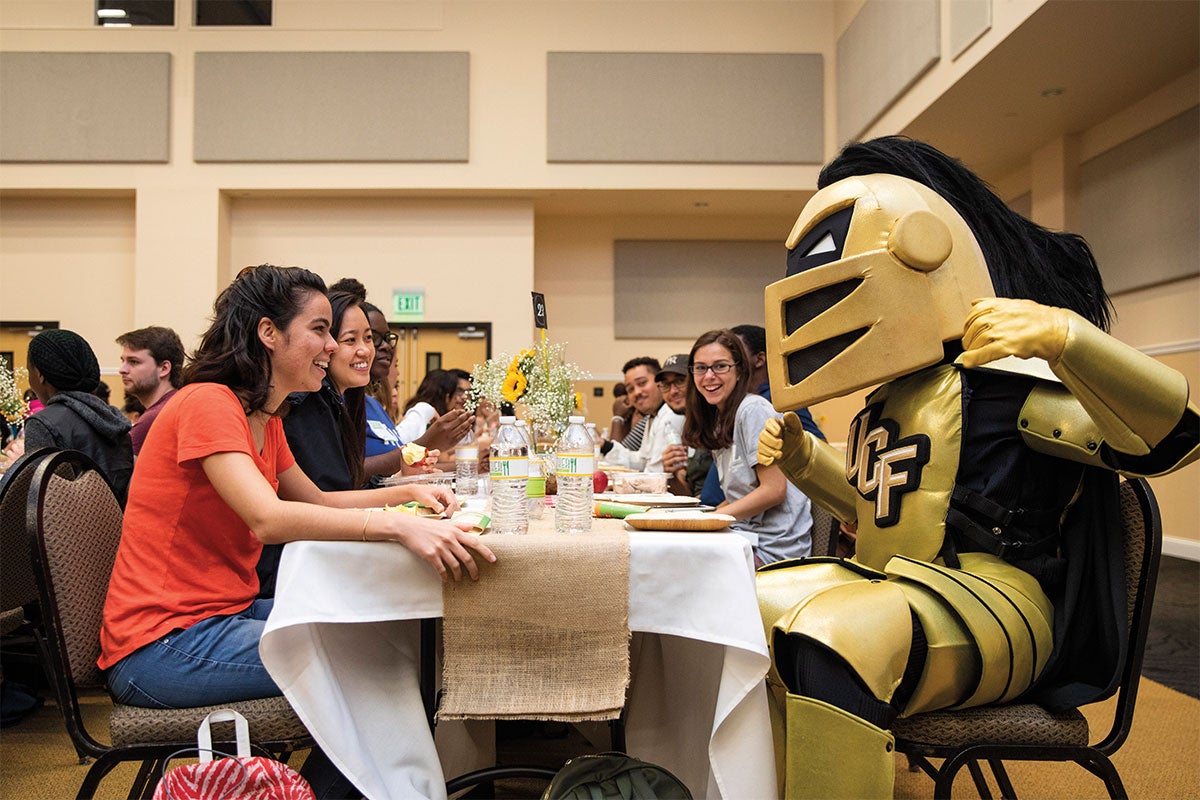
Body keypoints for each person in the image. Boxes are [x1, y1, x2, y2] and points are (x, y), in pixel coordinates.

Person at [754, 136, 1199, 798]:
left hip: (999, 604)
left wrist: (1067, 340)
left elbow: (1169, 443)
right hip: (897, 587)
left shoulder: (1006, 380)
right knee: (743, 612)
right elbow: (869, 507)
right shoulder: (887, 400)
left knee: (837, 633)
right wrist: (805, 459)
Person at [99, 266, 494, 723]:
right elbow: (268, 519)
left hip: (225, 615)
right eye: (321, 330)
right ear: (268, 332)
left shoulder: (266, 416)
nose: (332, 345)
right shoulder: (208, 402)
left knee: (391, 630)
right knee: (378, 662)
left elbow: (317, 502)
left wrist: (407, 493)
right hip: (163, 644)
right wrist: (396, 523)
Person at [683, 330, 811, 566]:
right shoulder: (720, 419)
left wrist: (712, 520)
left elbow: (774, 490)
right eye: (700, 368)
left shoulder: (753, 410)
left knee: (680, 563)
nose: (709, 376)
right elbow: (737, 497)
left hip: (771, 548)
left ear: (740, 370)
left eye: (720, 366)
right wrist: (696, 518)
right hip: (744, 535)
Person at [328, 278, 471, 476]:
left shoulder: (369, 404)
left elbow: (384, 474)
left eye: (369, 338)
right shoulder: (328, 405)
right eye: (351, 339)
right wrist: (426, 442)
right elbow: (347, 477)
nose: (385, 347)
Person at [699, 324, 825, 505]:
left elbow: (817, 453)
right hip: (733, 515)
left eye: (734, 353)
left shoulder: (772, 403)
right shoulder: (729, 409)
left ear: (759, 359)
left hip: (761, 525)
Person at [23, 329, 134, 505]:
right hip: (116, 527)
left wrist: (18, 469)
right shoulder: (115, 419)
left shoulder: (43, 424)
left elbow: (38, 502)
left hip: (64, 530)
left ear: (39, 375)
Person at [116, 326, 185, 455]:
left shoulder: (153, 419)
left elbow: (131, 474)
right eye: (123, 361)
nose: (122, 369)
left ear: (164, 368)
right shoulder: (175, 403)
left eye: (134, 362)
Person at [599, 357, 671, 469]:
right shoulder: (651, 417)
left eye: (642, 383)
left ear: (660, 382)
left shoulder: (670, 415)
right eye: (630, 389)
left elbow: (656, 471)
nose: (636, 392)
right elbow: (641, 461)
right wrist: (604, 445)